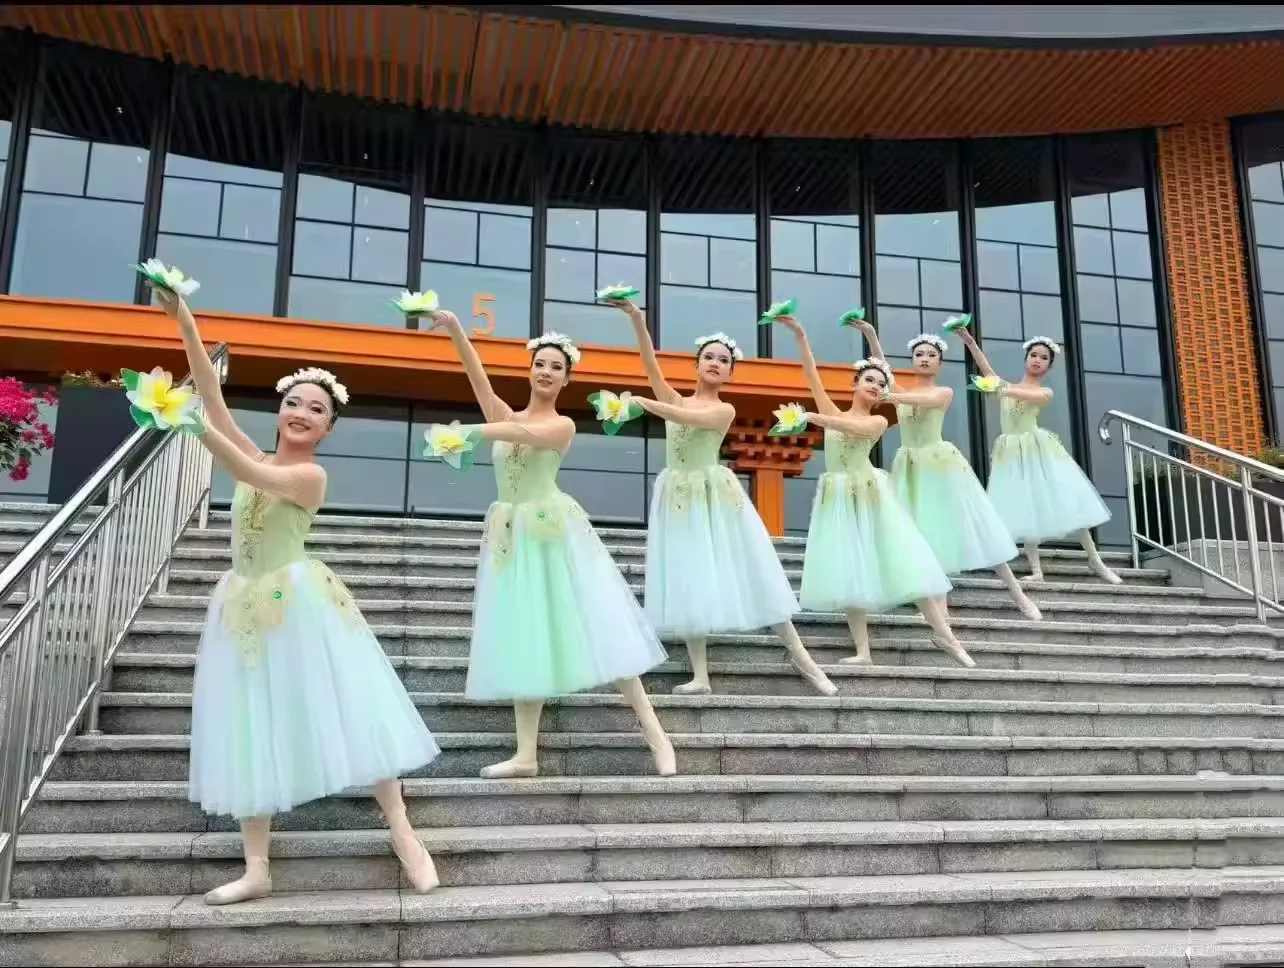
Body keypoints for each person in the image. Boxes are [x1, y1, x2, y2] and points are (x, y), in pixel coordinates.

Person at [155, 290, 441, 906]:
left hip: (299, 602)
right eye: (293, 403)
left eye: (316, 408)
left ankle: (402, 828)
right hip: (243, 609)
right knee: (249, 724)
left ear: (329, 427)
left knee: (351, 709)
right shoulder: (256, 448)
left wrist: (191, 425)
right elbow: (210, 390)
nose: (301, 412)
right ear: (279, 410)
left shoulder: (308, 476)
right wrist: (182, 316)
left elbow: (252, 476)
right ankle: (257, 866)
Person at [426, 309, 676, 778]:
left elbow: (526, 434)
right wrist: (458, 331)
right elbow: (478, 380)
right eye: (540, 363)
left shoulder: (562, 426)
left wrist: (470, 433)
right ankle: (525, 755)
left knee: (603, 629)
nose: (545, 371)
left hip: (554, 532)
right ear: (530, 369)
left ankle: (657, 736)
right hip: (512, 539)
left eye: (556, 367)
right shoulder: (503, 414)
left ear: (566, 379)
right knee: (525, 636)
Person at [608, 299, 835, 697]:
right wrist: (637, 320)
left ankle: (804, 659)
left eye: (723, 359)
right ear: (696, 364)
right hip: (679, 498)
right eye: (708, 357)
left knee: (753, 571)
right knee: (688, 578)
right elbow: (650, 367)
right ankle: (700, 674)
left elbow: (687, 420)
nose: (714, 362)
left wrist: (643, 403)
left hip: (714, 498)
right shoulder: (677, 399)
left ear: (730, 371)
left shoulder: (723, 409)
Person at [772, 314, 975, 668]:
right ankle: (863, 650)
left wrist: (814, 419)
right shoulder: (832, 409)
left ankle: (947, 636)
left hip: (870, 494)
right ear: (855, 383)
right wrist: (801, 334)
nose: (875, 386)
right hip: (838, 498)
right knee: (849, 569)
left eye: (881, 383)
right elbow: (811, 373)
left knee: (908, 563)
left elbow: (852, 427)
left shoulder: (878, 420)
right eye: (869, 379)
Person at [855, 321, 1041, 621]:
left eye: (931, 354)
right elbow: (884, 371)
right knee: (923, 536)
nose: (925, 358)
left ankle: (1018, 595)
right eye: (919, 355)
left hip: (940, 467)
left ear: (940, 363)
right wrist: (872, 336)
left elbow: (920, 399)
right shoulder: (898, 389)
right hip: (910, 469)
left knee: (975, 528)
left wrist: (892, 396)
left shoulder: (943, 392)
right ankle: (938, 608)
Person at [957, 328, 1121, 585]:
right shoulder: (1008, 386)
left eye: (1043, 357)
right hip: (1011, 454)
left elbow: (1015, 391)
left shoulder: (1044, 393)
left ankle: (1095, 560)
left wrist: (996, 385)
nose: (1036, 360)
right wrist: (970, 343)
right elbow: (988, 371)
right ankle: (1036, 570)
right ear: (1026, 358)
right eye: (1033, 355)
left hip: (1037, 450)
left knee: (1069, 502)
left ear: (1048, 366)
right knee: (1024, 505)